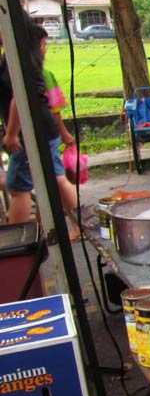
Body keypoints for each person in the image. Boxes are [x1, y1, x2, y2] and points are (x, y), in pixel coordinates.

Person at [0, 21, 79, 240]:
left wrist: (12, 134)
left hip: (33, 132)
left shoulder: (20, 64)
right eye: (44, 45)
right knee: (54, 178)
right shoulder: (26, 63)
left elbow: (24, 99)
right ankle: (73, 225)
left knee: (19, 187)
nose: (45, 49)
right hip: (41, 131)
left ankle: (14, 240)